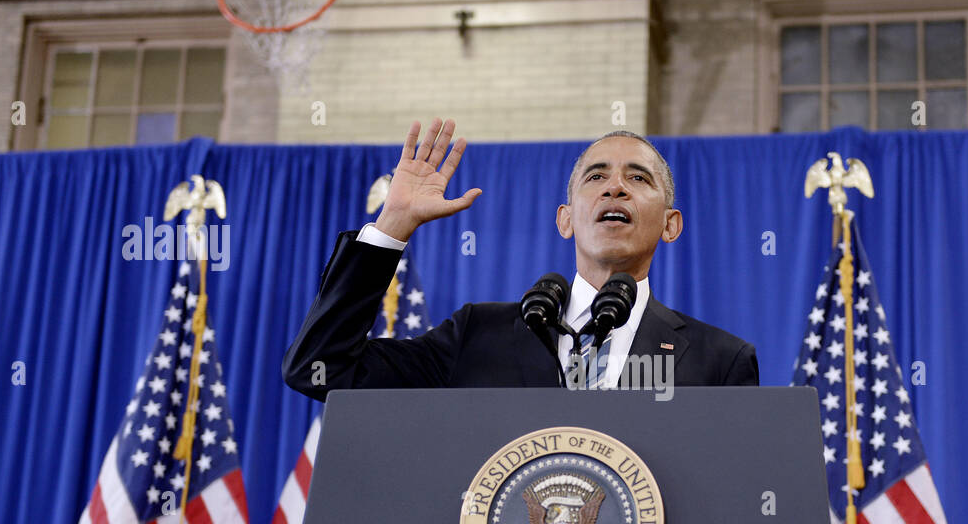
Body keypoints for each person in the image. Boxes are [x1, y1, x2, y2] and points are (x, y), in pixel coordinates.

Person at [282, 117, 759, 398]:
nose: (615, 186)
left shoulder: (720, 362)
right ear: (565, 220)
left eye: (638, 178)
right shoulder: (478, 336)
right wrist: (392, 228)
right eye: (595, 177)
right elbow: (320, 368)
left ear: (670, 225)